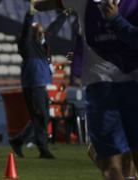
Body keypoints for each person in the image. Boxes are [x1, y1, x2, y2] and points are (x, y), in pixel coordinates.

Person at [33, 0, 138, 179]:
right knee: (115, 161)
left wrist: (115, 20)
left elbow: (39, 4)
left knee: (111, 164)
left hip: (105, 88)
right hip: (111, 87)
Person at [10, 1, 70, 159]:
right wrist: (30, 15)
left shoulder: (43, 46)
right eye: (36, 29)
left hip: (40, 85)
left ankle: (19, 140)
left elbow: (54, 29)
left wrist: (64, 15)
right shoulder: (27, 46)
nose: (40, 30)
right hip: (32, 86)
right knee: (41, 116)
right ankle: (43, 149)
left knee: (42, 117)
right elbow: (25, 32)